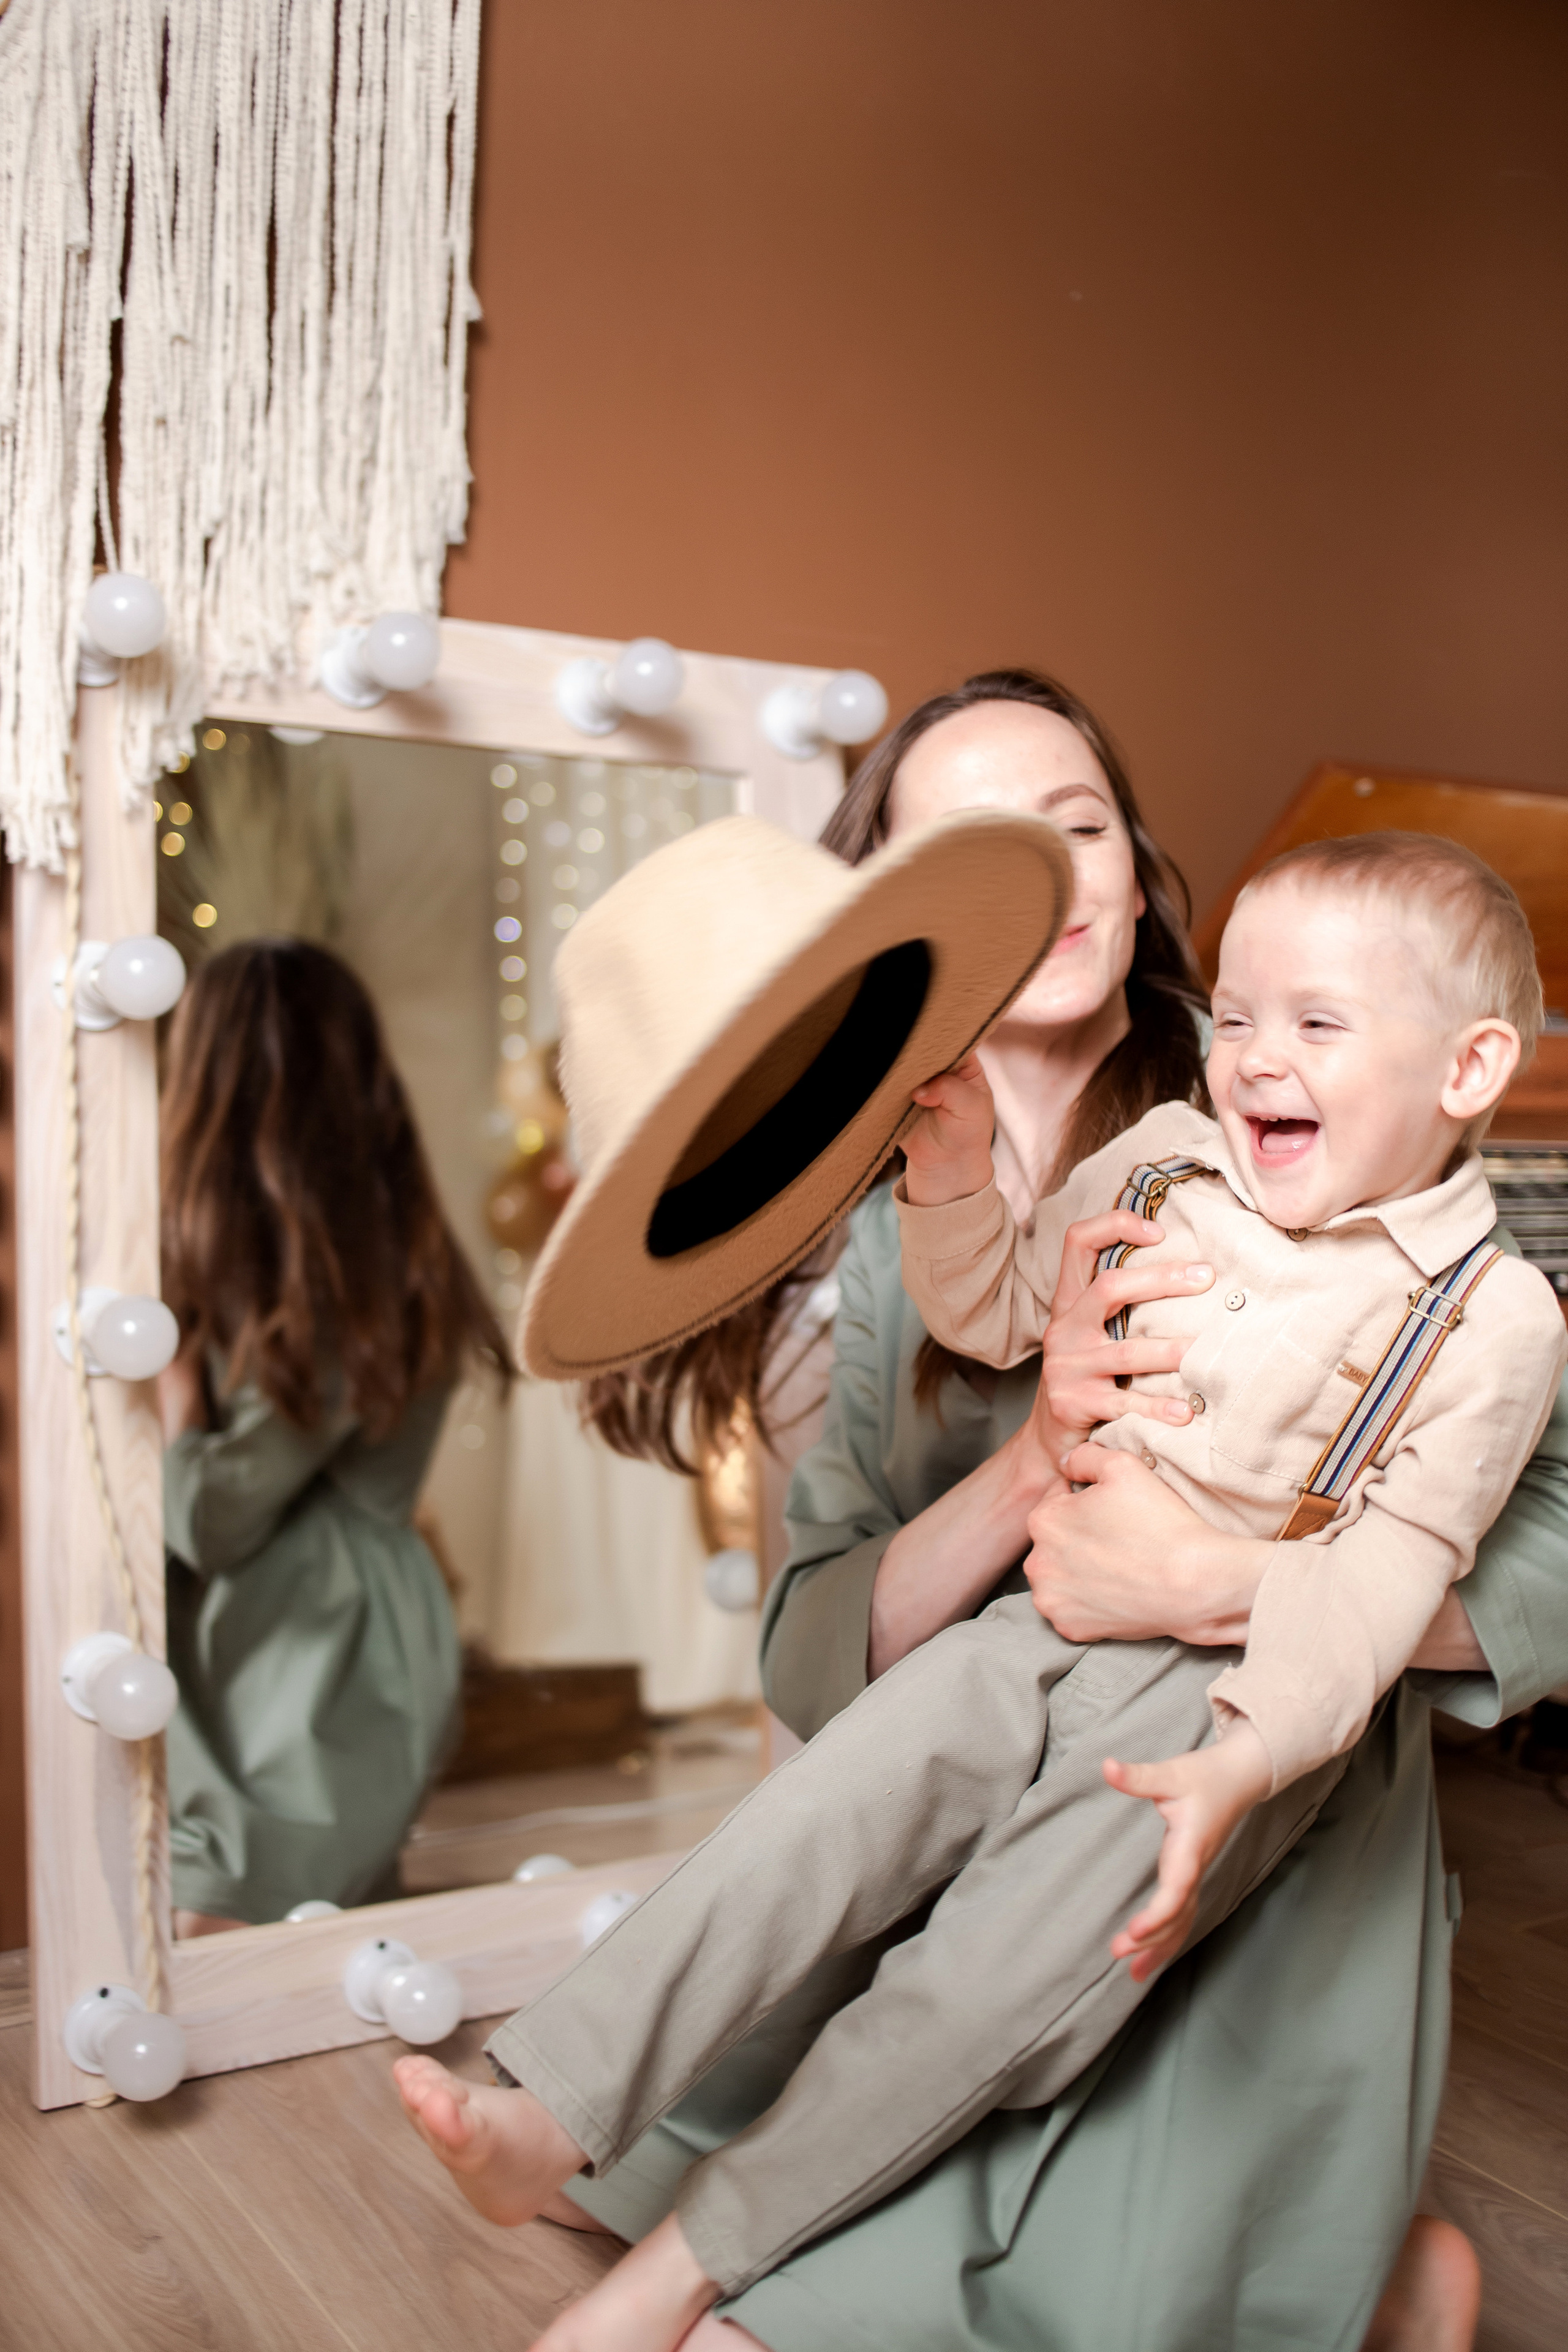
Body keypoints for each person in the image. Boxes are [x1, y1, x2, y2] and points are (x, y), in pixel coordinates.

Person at [401, 674, 1568, 2350]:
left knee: (995, 2082)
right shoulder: (1051, 1182)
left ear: (1132, 864)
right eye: (977, 841)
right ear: (915, 909)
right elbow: (825, 1640)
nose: (1054, 871)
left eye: (1076, 825)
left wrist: (1215, 1585)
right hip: (990, 1735)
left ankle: (1336, 2261)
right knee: (822, 1903)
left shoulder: (1356, 1136)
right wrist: (1030, 1470)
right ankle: (581, 2115)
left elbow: (1510, 1539)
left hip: (1244, 1780)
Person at [157, 937, 511, 1932]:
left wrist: (176, 1401)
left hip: (315, 1655)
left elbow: (211, 1520)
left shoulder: (339, 1286)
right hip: (306, 1647)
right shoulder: (357, 1256)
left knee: (239, 1935)